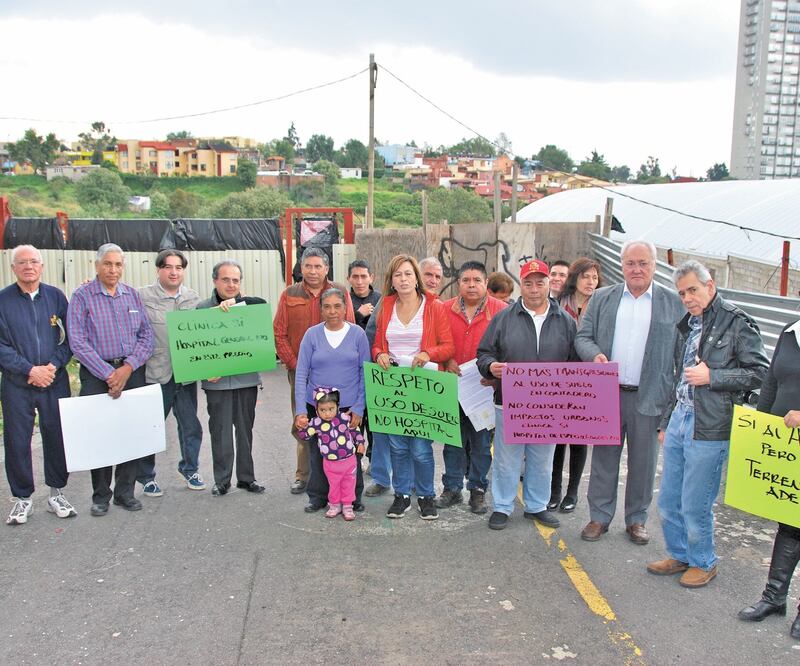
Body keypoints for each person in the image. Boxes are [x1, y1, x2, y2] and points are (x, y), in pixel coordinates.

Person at [647, 260, 767, 587]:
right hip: (680, 419)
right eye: (682, 292)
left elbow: (760, 373)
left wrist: (713, 377)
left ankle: (704, 560)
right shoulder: (689, 323)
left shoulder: (737, 322)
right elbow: (678, 376)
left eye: (693, 290)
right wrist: (666, 420)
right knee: (669, 497)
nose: (687, 297)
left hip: (710, 424)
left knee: (695, 500)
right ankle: (680, 553)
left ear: (710, 285)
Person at [575, 240, 684, 544]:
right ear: (622, 266)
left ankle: (636, 519)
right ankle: (599, 517)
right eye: (630, 263)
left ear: (654, 265)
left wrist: (671, 408)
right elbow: (583, 337)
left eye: (643, 263)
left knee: (643, 463)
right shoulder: (601, 298)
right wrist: (594, 354)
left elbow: (681, 356)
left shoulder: (672, 303)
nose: (636, 269)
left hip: (650, 397)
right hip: (607, 396)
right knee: (604, 461)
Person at [477, 259, 577, 531]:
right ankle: (502, 506)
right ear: (521, 285)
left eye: (540, 282)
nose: (534, 289)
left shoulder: (565, 321)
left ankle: (536, 506)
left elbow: (574, 361)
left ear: (549, 284)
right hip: (509, 401)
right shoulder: (503, 318)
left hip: (549, 405)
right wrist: (490, 367)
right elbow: (484, 353)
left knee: (542, 459)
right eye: (528, 283)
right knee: (507, 459)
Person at [67, 243, 154, 516]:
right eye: (107, 264)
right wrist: (108, 374)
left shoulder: (132, 296)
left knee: (130, 433)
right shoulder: (82, 296)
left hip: (131, 371)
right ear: (96, 266)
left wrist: (127, 368)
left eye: (118, 264)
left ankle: (125, 493)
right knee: (101, 434)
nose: (113, 269)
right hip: (96, 375)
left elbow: (147, 336)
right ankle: (101, 496)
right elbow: (77, 342)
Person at [372, 254, 455, 520]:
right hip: (393, 384)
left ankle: (426, 496)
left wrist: (428, 353)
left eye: (408, 273)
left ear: (416, 278)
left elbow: (448, 347)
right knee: (397, 445)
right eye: (398, 275)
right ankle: (402, 495)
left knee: (420, 448)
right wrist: (378, 355)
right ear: (392, 281)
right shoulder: (385, 306)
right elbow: (377, 344)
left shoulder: (434, 306)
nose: (404, 279)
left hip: (424, 385)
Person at [0, 245, 75, 525]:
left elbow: (69, 338)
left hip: (54, 380)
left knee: (56, 435)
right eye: (22, 262)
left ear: (42, 266)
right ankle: (22, 499)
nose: (28, 266)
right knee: (17, 440)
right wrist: (29, 369)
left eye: (33, 262)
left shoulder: (56, 297)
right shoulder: (3, 300)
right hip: (17, 383)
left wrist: (52, 367)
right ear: (13, 268)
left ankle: (57, 492)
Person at [273, 247, 355, 495]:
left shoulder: (340, 291)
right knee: (304, 421)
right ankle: (303, 475)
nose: (313, 271)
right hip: (301, 373)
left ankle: (339, 475)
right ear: (301, 268)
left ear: (327, 269)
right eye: (308, 266)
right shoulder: (289, 294)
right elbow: (279, 333)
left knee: (338, 422)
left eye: (318, 266)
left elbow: (349, 327)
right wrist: (296, 365)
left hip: (336, 373)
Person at [737, 318, 800, 639]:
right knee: (789, 522)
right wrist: (757, 430)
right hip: (786, 450)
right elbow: (772, 385)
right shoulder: (791, 332)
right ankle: (774, 597)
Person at [438, 261, 507, 514]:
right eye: (466, 280)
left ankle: (477, 490)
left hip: (483, 388)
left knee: (480, 443)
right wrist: (446, 359)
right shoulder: (443, 309)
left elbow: (507, 347)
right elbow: (435, 342)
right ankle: (452, 488)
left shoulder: (501, 311)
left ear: (486, 283)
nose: (471, 285)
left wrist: (494, 374)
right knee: (453, 441)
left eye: (477, 280)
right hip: (452, 386)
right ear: (458, 283)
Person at [294, 287, 370, 513]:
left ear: (346, 308)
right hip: (319, 408)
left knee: (351, 452)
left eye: (337, 306)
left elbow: (365, 373)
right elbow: (301, 374)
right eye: (327, 306)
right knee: (318, 453)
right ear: (321, 310)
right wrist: (300, 410)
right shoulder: (312, 335)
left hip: (348, 409)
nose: (332, 311)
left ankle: (352, 497)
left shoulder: (357, 334)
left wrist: (359, 407)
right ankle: (318, 496)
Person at [138, 249, 205, 493]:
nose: (174, 272)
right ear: (159, 269)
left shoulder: (193, 298)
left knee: (190, 426)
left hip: (185, 374)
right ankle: (146, 477)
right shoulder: (142, 296)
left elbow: (205, 334)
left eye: (179, 267)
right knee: (151, 426)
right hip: (156, 373)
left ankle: (190, 470)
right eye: (168, 267)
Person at [197, 260, 266, 496]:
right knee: (220, 431)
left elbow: (264, 304)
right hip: (217, 384)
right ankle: (222, 480)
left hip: (246, 381)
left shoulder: (249, 305)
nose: (230, 284)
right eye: (225, 279)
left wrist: (237, 302)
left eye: (235, 280)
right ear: (215, 280)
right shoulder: (202, 309)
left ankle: (247, 478)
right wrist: (205, 370)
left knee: (245, 431)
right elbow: (195, 348)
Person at [549, 257, 603, 513]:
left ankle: (572, 493)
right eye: (586, 277)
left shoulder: (602, 305)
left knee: (579, 439)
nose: (591, 282)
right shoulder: (559, 302)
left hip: (588, 380)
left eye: (594, 277)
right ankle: (554, 489)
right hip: (559, 377)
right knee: (557, 438)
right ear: (575, 278)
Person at [296, 387, 366, 521]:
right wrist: (303, 426)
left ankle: (347, 506)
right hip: (330, 463)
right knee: (334, 485)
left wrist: (361, 443)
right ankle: (334, 505)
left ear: (337, 406)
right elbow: (305, 436)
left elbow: (355, 430)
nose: (327, 413)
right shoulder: (316, 423)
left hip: (349, 461)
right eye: (323, 410)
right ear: (317, 409)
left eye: (331, 409)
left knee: (348, 484)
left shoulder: (345, 418)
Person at [347, 259, 381, 330]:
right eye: (355, 277)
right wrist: (359, 315)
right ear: (348, 279)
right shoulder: (344, 301)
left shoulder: (380, 299)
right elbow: (340, 327)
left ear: (371, 278)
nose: (359, 282)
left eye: (363, 277)